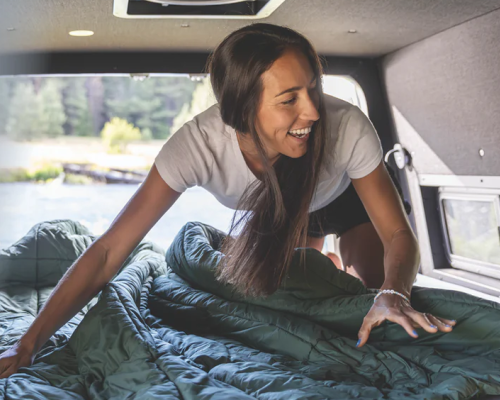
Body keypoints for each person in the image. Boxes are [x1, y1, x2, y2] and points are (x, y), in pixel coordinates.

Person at [0, 23, 455, 379]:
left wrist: (393, 293)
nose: (313, 111)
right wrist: (30, 342)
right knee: (292, 295)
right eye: (289, 99)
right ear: (241, 110)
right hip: (279, 209)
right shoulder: (195, 147)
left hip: (344, 198)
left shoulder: (347, 126)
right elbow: (105, 253)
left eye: (312, 88)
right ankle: (324, 262)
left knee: (378, 290)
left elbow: (398, 233)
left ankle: (346, 265)